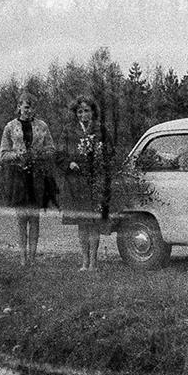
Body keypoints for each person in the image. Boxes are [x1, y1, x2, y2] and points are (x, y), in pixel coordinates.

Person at [0, 93, 56, 267]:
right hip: (19, 176)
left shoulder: (42, 126)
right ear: (19, 107)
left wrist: (39, 154)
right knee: (21, 219)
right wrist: (17, 155)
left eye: (31, 107)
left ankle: (32, 257)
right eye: (26, 107)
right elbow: (3, 154)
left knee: (34, 218)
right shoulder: (10, 127)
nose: (29, 111)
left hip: (37, 176)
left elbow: (51, 149)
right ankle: (23, 258)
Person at [59, 97, 111, 271]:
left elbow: (110, 152)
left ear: (93, 112)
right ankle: (84, 262)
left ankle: (94, 263)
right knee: (82, 223)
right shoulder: (69, 130)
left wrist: (100, 160)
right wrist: (69, 163)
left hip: (95, 182)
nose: (83, 115)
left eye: (86, 111)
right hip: (76, 183)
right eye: (79, 111)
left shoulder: (101, 129)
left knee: (94, 222)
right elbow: (60, 154)